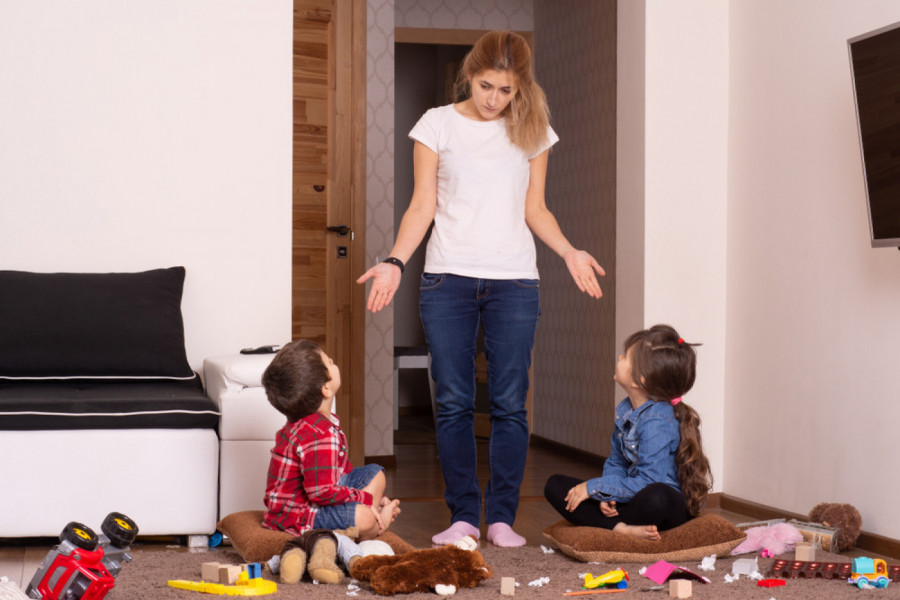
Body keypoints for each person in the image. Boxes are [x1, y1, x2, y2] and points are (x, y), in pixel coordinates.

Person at [356, 30, 605, 548]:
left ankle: (502, 520)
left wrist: (569, 251)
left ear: (520, 89)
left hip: (515, 282)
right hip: (447, 279)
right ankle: (464, 515)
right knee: (453, 401)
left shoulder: (533, 130)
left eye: (506, 91)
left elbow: (535, 208)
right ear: (469, 75)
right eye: (486, 85)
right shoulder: (437, 123)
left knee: (511, 404)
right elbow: (422, 204)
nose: (494, 99)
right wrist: (396, 261)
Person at [544, 324, 713, 540]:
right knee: (555, 486)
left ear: (639, 380)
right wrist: (607, 496)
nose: (620, 357)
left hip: (660, 504)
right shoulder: (626, 410)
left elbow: (649, 482)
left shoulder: (657, 421)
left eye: (625, 357)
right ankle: (620, 529)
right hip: (630, 501)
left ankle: (610, 525)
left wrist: (596, 487)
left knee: (657, 496)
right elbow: (617, 462)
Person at [261, 339, 400, 542]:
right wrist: (364, 499)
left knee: (375, 473)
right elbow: (320, 493)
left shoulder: (321, 423)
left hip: (321, 494)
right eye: (329, 362)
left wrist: (359, 497)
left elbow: (341, 473)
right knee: (362, 517)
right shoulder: (318, 434)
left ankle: (370, 514)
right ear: (325, 388)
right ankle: (377, 524)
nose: (334, 362)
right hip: (299, 514)